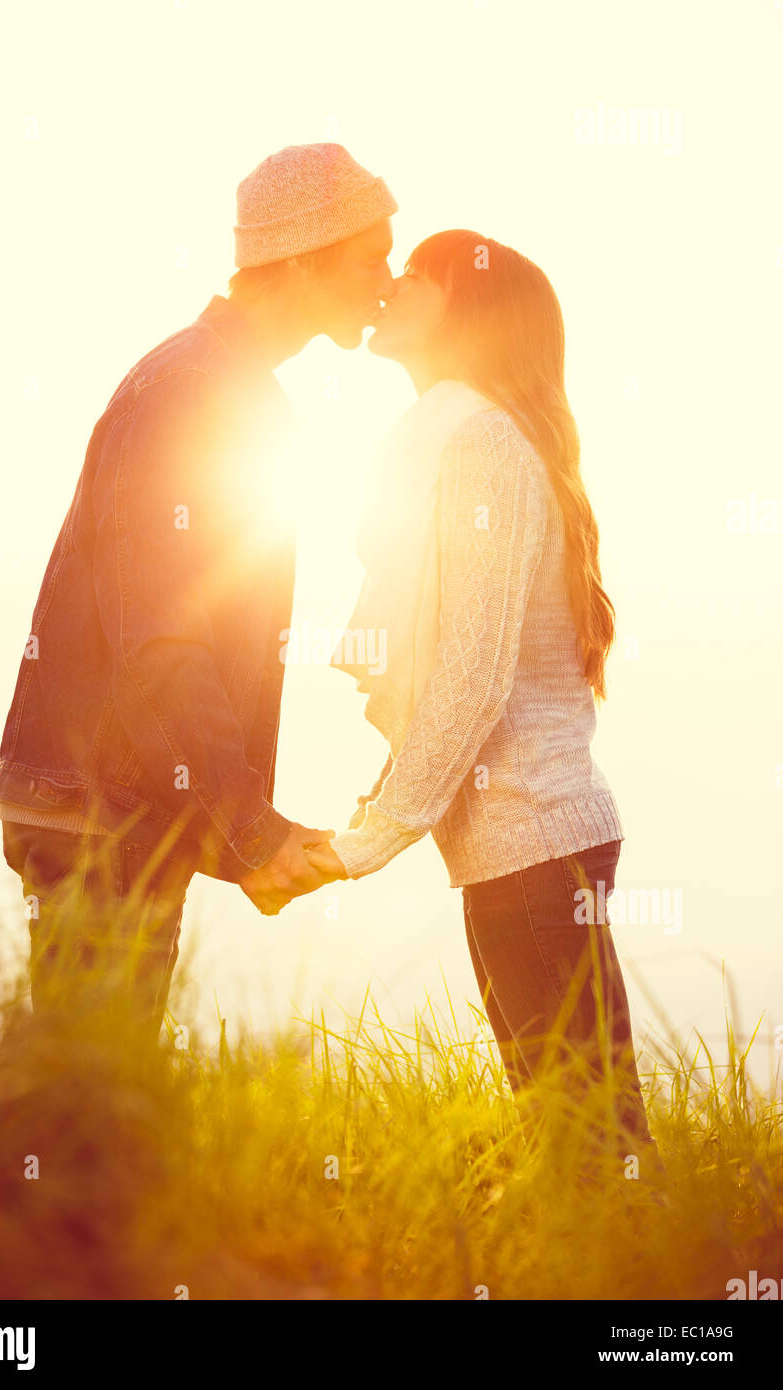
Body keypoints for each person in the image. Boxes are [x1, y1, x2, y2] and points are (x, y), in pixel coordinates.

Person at [0, 143, 394, 1043]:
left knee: (96, 1091)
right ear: (299, 259)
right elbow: (162, 644)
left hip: (115, 799)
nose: (387, 281)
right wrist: (251, 831)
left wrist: (238, 827)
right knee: (89, 1102)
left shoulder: (228, 386)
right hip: (100, 807)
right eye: (371, 259)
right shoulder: (192, 392)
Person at [307, 230, 661, 1167]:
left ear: (464, 308)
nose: (390, 285)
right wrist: (384, 797)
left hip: (534, 841)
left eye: (415, 271)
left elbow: (472, 669)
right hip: (519, 845)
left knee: (586, 1142)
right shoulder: (462, 435)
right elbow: (448, 673)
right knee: (576, 1131)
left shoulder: (482, 444)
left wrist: (367, 842)